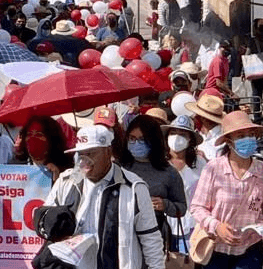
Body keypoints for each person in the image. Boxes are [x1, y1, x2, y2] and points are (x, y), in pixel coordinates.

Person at [38, 125, 165, 269]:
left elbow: (151, 239)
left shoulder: (134, 187)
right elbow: (45, 220)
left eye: (91, 153)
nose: (84, 161)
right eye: (81, 154)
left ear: (107, 152)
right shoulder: (66, 182)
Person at [190, 111, 263, 269]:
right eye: (240, 136)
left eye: (250, 134)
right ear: (229, 141)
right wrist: (217, 226)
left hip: (250, 250)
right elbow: (197, 207)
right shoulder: (214, 168)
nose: (247, 139)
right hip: (217, 250)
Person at [121, 115, 187, 247]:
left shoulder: (169, 172)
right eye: (132, 139)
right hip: (122, 233)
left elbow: (182, 207)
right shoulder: (119, 168)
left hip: (153, 237)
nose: (136, 144)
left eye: (142, 139)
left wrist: (165, 205)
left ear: (153, 141)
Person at [162, 114, 206, 251]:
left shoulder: (200, 164)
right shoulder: (158, 163)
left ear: (190, 140)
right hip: (163, 226)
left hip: (191, 226)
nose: (176, 137)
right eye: (173, 133)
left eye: (182, 134)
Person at [13, 116, 73, 183]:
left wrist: (58, 179)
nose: (33, 138)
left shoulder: (67, 168)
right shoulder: (14, 166)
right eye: (29, 134)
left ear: (51, 138)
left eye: (39, 134)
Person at [185, 94, 225, 161]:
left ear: (203, 118)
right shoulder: (199, 134)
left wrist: (205, 160)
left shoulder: (222, 139)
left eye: (197, 114)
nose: (195, 117)